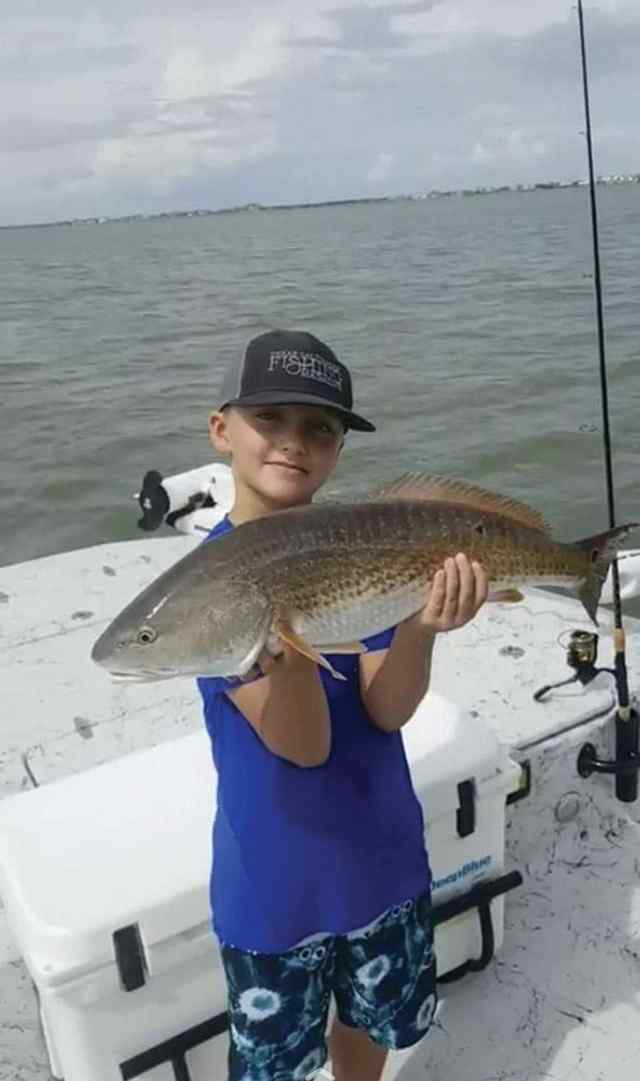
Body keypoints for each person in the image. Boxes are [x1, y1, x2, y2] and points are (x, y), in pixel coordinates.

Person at [197, 329, 488, 1081]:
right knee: (276, 1064)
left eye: (318, 428)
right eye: (271, 420)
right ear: (221, 429)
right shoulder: (212, 586)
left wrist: (423, 626)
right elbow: (305, 745)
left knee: (373, 1023)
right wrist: (280, 630)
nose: (294, 442)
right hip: (274, 886)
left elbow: (388, 708)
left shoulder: (364, 544)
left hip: (382, 859)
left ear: (337, 450)